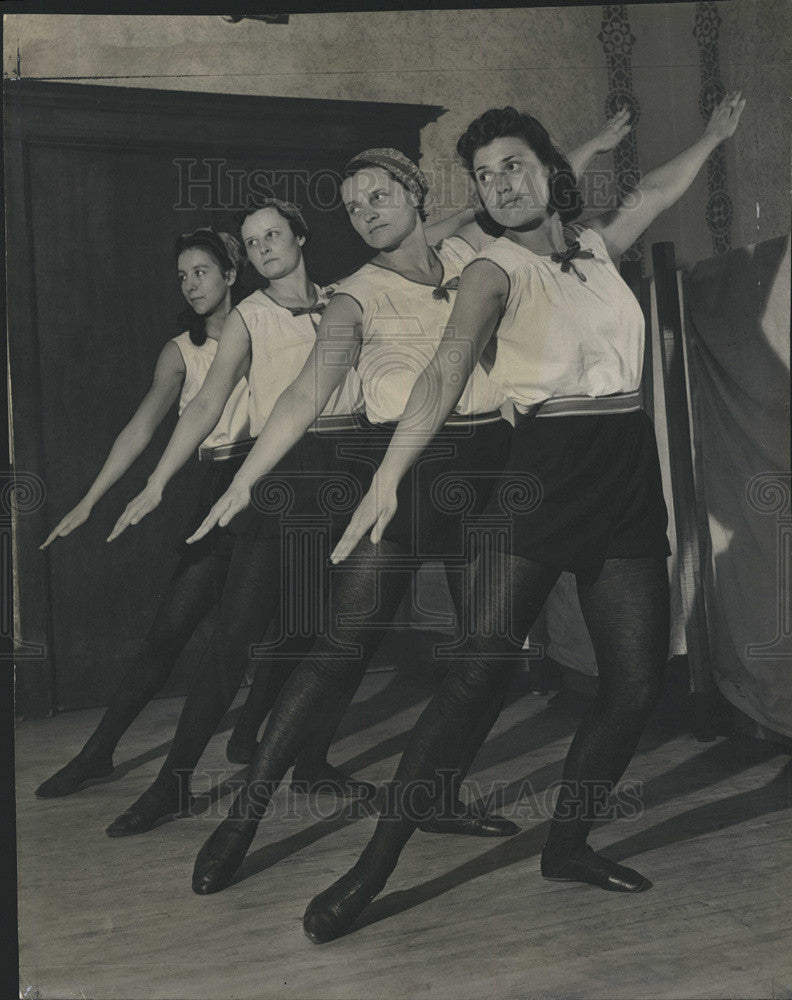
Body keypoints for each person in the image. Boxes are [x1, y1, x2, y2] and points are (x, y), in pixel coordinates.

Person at [301, 92, 746, 943]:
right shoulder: (490, 270)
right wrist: (390, 475)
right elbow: (442, 371)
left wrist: (714, 138)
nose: (499, 184)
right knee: (475, 675)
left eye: (513, 165)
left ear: (550, 171)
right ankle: (370, 868)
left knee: (636, 682)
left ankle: (568, 845)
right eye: (482, 175)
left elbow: (650, 195)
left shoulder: (594, 250)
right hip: (537, 478)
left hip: (623, 476)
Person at [184, 114, 626, 895]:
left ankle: (438, 798)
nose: (367, 209)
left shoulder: (476, 256)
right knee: (338, 652)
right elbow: (302, 395)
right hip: (407, 471)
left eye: (381, 194)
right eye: (354, 205)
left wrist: (584, 151)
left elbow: (534, 197)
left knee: (489, 654)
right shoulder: (353, 297)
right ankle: (243, 817)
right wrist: (246, 478)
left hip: (497, 468)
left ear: (417, 195)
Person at [102, 199, 374, 837]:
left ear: (300, 236)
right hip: (280, 483)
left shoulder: (346, 299)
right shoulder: (250, 315)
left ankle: (310, 760)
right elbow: (206, 405)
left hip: (348, 478)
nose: (264, 249)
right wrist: (158, 479)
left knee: (327, 637)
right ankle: (171, 784)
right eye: (251, 243)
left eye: (273, 235)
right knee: (232, 645)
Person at [35, 229, 256, 800]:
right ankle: (97, 754)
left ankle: (252, 743)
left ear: (231, 274)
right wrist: (90, 500)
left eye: (201, 272)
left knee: (265, 634)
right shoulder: (181, 351)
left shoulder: (267, 325)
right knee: (170, 635)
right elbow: (140, 428)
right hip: (216, 487)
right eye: (183, 276)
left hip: (273, 485)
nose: (190, 285)